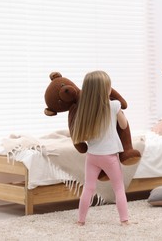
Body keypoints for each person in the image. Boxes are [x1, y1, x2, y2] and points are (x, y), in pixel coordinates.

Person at [71, 70, 131, 226]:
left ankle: (81, 220)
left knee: (88, 188)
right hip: (109, 157)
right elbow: (124, 125)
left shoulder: (85, 110)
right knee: (118, 188)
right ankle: (124, 220)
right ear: (107, 89)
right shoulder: (114, 105)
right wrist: (120, 112)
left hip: (92, 157)